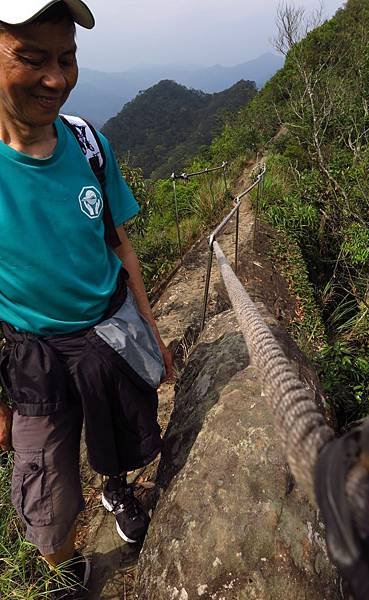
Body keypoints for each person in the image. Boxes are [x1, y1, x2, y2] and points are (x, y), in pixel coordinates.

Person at [0, 1, 173, 596]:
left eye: (67, 59)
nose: (56, 78)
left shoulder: (88, 145)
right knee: (44, 489)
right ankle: (66, 569)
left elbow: (119, 244)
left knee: (121, 433)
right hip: (33, 353)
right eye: (32, 57)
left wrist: (149, 327)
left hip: (106, 329)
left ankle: (118, 489)